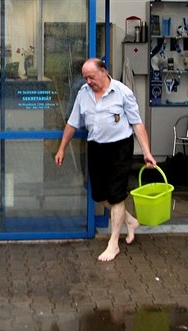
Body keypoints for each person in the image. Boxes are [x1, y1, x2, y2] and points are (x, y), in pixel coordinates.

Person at [55, 58, 156, 262]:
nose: (88, 81)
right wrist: (62, 148)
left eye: (91, 77)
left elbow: (137, 125)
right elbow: (73, 123)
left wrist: (146, 152)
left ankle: (113, 243)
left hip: (119, 147)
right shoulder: (83, 94)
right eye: (85, 78)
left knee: (117, 195)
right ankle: (130, 221)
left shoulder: (122, 92)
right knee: (100, 195)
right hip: (96, 147)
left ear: (103, 71)